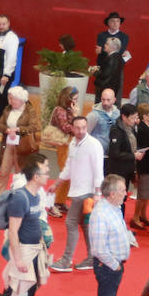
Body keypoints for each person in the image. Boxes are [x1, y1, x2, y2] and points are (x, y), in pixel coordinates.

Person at [2, 156, 49, 296]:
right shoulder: (21, 198)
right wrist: (19, 259)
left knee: (28, 288)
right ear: (35, 177)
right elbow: (13, 230)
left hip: (35, 249)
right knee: (15, 289)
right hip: (24, 250)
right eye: (45, 172)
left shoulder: (36, 195)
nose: (48, 175)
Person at [85, 174, 132, 296]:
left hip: (114, 265)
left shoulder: (115, 208)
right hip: (108, 266)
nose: (125, 193)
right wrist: (115, 265)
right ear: (112, 193)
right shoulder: (101, 214)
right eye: (122, 190)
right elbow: (98, 248)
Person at [52, 115, 104, 272]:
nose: (81, 131)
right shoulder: (73, 144)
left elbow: (98, 170)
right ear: (72, 128)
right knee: (85, 225)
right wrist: (57, 183)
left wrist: (97, 193)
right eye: (78, 128)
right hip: (77, 191)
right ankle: (91, 258)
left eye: (84, 127)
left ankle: (67, 260)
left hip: (86, 193)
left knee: (70, 223)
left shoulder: (94, 145)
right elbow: (69, 166)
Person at [0, 86, 40, 187]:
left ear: (20, 99)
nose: (10, 101)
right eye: (9, 98)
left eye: (12, 98)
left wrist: (18, 129)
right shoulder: (7, 109)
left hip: (23, 146)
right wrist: (7, 130)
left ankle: (18, 195)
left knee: (20, 173)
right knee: (3, 172)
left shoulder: (30, 111)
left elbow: (34, 127)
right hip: (8, 144)